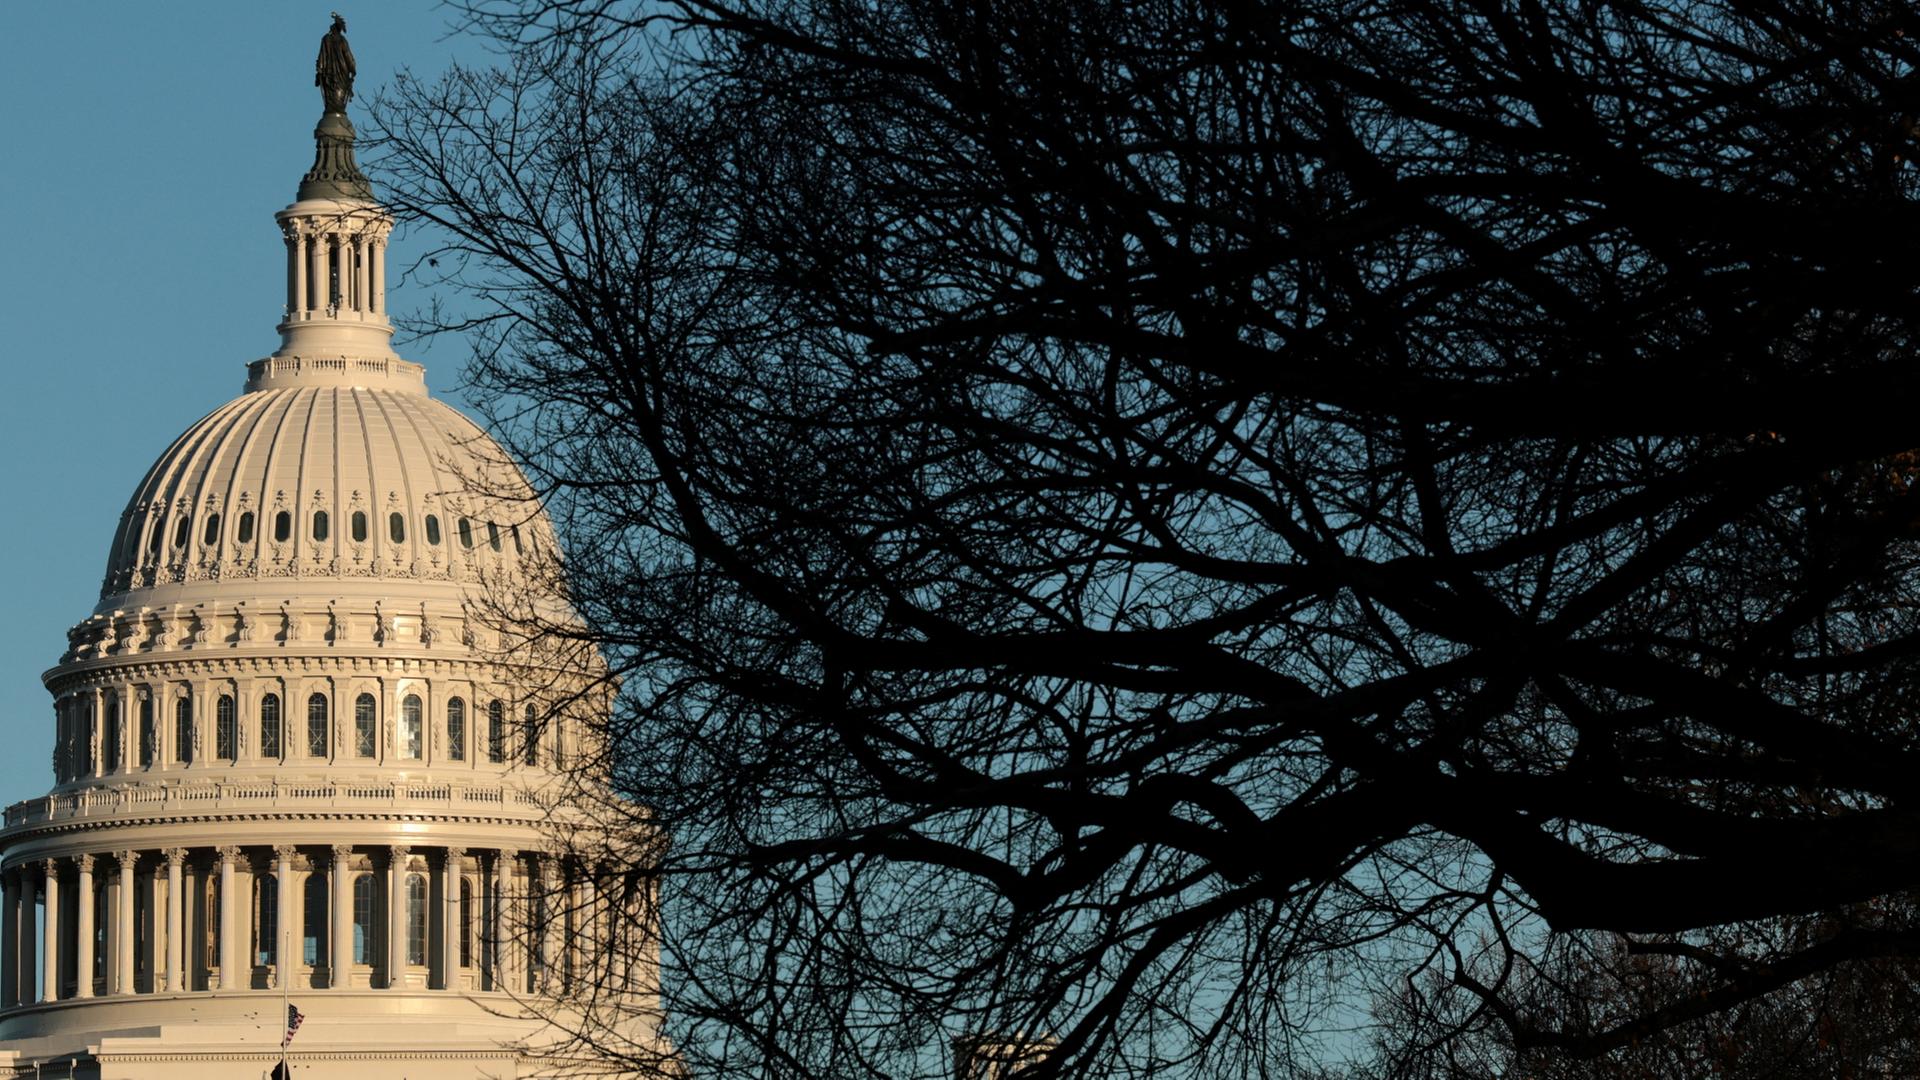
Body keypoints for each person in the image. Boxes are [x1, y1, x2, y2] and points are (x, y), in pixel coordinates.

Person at [316, 13, 355, 113]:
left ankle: (336, 108)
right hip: (339, 72)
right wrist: (353, 68)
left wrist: (319, 68)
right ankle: (335, 107)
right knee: (335, 92)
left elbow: (322, 55)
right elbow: (348, 57)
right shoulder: (340, 40)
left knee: (333, 92)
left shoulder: (328, 39)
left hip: (332, 72)